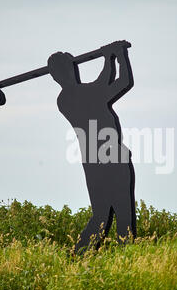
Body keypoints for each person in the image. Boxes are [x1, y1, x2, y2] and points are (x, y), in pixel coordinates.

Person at [47, 40, 136, 254]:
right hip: (110, 159)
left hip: (95, 162)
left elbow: (115, 82)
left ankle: (79, 256)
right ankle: (125, 258)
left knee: (102, 216)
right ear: (64, 73)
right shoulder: (69, 98)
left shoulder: (69, 98)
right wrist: (112, 55)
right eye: (71, 68)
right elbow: (112, 82)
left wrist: (114, 56)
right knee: (120, 213)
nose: (74, 72)